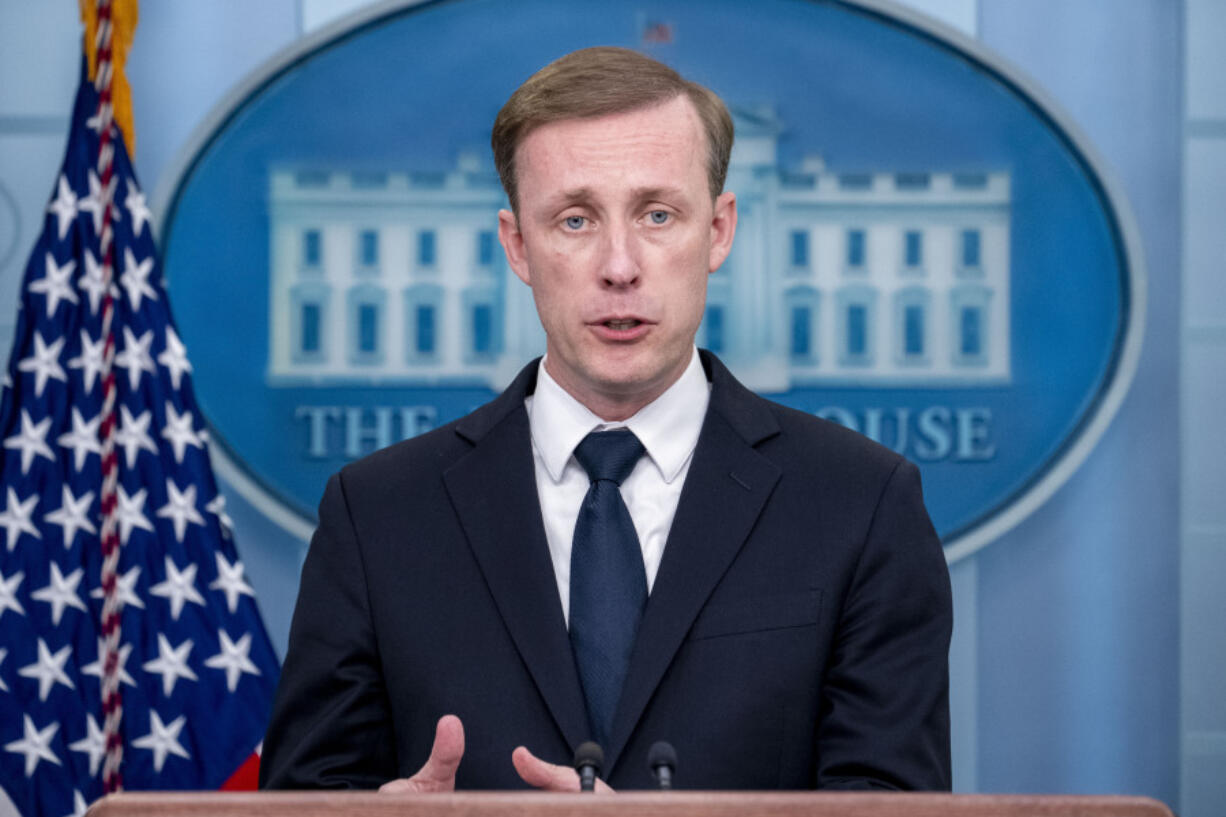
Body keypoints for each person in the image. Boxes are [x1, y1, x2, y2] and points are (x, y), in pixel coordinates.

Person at [259, 46, 952, 792]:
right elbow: (303, 800)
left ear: (718, 231)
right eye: (576, 219)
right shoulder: (379, 515)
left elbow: (892, 808)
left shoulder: (862, 504)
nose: (619, 265)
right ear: (518, 245)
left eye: (657, 214)